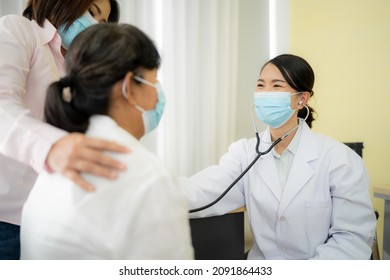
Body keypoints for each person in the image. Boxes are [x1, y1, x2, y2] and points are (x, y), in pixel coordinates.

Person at [20, 23, 194, 260]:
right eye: (154, 82)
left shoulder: (55, 165)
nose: (157, 96)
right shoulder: (147, 176)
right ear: (129, 88)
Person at [180, 54, 377, 259]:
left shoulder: (340, 160)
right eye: (261, 85)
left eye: (276, 86)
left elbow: (351, 239)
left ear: (302, 99)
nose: (266, 93)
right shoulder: (244, 153)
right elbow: (202, 191)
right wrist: (151, 190)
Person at [0, 0, 127, 260]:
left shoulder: (76, 72)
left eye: (102, 24)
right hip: (6, 220)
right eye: (92, 12)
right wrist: (53, 147)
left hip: (49, 221)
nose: (94, 26)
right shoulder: (19, 31)